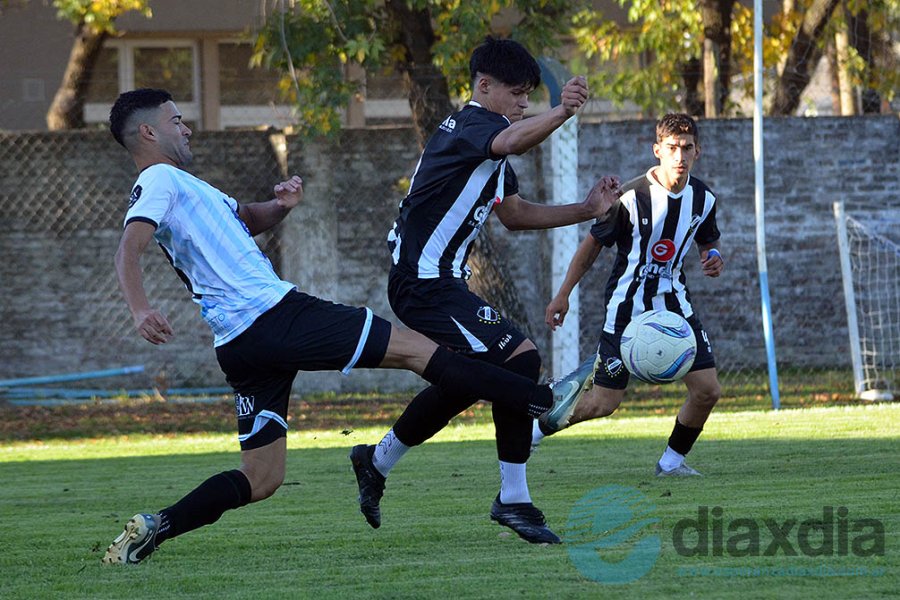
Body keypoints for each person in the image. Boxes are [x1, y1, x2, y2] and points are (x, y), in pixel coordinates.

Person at [101, 88, 588, 565]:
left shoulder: (186, 186)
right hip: (276, 315)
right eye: (176, 121)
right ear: (148, 133)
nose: (186, 128)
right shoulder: (159, 180)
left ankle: (156, 527)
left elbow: (244, 218)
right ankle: (543, 401)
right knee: (415, 349)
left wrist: (280, 206)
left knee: (262, 477)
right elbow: (129, 247)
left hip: (239, 344)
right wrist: (140, 309)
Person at [350, 36, 620, 545]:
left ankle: (377, 460)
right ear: (484, 86)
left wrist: (586, 210)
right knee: (520, 360)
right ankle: (518, 483)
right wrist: (562, 111)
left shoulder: (489, 147)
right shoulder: (471, 126)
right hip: (422, 283)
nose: (523, 104)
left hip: (440, 284)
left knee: (469, 380)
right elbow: (512, 141)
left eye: (529, 96)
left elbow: (515, 216)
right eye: (517, 94)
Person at [536, 113, 724, 476]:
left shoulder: (703, 198)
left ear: (697, 151)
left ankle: (671, 463)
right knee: (604, 403)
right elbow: (591, 247)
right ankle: (535, 429)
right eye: (672, 148)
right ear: (657, 150)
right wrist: (563, 295)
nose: (680, 156)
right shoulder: (630, 198)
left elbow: (707, 240)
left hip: (676, 308)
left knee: (708, 390)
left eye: (687, 148)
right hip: (627, 311)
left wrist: (713, 257)